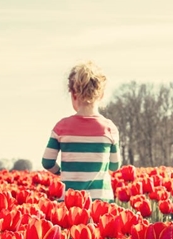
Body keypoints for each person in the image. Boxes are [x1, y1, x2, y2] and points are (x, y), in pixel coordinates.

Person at [41, 61, 121, 201]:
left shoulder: (62, 127)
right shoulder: (109, 128)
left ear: (73, 94)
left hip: (69, 200)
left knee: (72, 222)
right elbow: (115, 165)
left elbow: (47, 162)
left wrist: (61, 172)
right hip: (100, 200)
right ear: (101, 95)